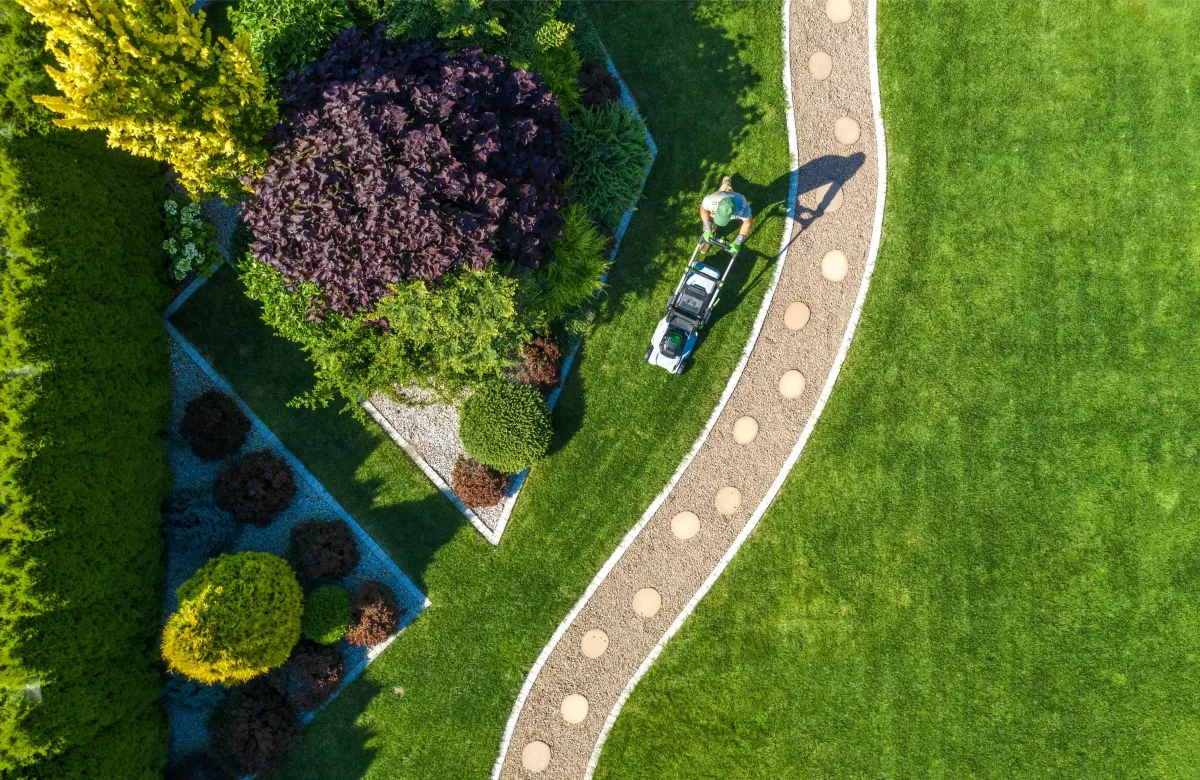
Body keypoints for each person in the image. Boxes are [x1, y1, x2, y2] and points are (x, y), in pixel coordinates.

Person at [699, 176, 752, 254]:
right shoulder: (711, 201)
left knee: (728, 189)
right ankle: (710, 236)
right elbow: (703, 208)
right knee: (725, 189)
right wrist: (707, 228)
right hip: (721, 196)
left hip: (736, 200)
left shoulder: (743, 209)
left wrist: (738, 241)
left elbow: (747, 223)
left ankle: (727, 182)